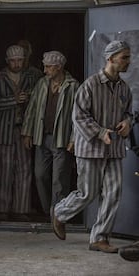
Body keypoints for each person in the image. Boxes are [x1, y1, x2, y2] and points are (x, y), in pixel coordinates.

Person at [51, 40, 132, 254]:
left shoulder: (124, 88)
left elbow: (128, 113)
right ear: (111, 58)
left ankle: (99, 238)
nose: (128, 61)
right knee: (87, 193)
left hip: (114, 150)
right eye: (125, 57)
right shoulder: (91, 84)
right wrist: (100, 132)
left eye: (129, 57)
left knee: (113, 193)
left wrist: (127, 122)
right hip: (90, 149)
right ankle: (60, 213)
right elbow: (78, 116)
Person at [22, 51, 79, 215]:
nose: (45, 70)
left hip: (61, 138)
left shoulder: (73, 86)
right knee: (40, 175)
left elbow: (78, 116)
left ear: (59, 67)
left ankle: (58, 215)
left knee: (59, 180)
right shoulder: (42, 83)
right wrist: (27, 132)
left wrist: (74, 139)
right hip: (42, 137)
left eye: (48, 67)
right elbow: (32, 108)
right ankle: (49, 212)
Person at [0, 45, 41, 221]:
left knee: (24, 169)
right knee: (4, 170)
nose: (17, 63)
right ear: (7, 61)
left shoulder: (31, 77)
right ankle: (2, 209)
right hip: (3, 131)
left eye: (20, 60)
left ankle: (21, 209)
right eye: (13, 60)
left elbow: (37, 101)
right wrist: (14, 100)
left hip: (23, 130)